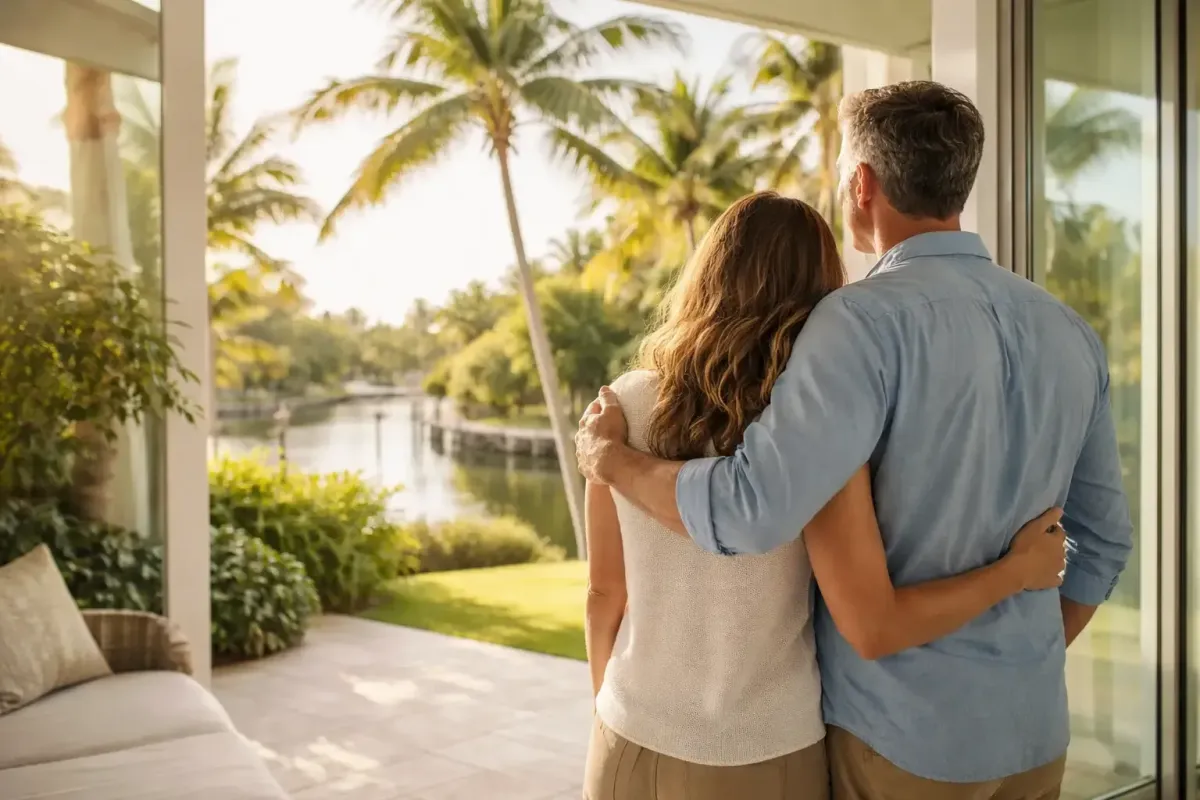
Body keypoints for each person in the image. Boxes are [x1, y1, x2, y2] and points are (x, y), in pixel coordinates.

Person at [577, 82, 1133, 800]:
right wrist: (1014, 666)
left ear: (861, 184)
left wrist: (615, 461)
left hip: (900, 741)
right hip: (1032, 734)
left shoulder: (858, 323)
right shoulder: (1069, 331)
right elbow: (1106, 543)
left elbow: (751, 509)